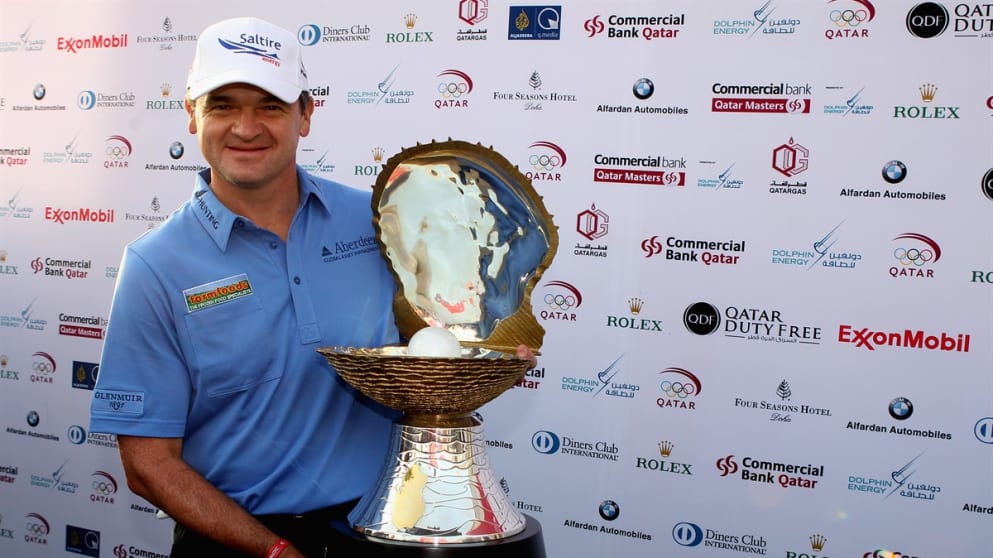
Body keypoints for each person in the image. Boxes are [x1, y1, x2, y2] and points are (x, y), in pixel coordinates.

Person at [88, 16, 536, 558]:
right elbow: (148, 465)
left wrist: (486, 347)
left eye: (270, 106)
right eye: (223, 104)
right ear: (191, 114)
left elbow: (436, 336)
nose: (246, 128)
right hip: (235, 542)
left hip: (380, 530)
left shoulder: (377, 221)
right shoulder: (155, 265)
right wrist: (276, 552)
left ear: (306, 114)